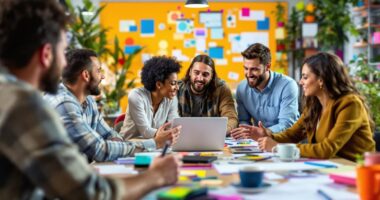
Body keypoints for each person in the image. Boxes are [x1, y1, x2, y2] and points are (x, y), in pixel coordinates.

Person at [0, 0, 179, 199]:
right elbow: (90, 193)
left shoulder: (10, 93)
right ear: (46, 54)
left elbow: (107, 135)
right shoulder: (23, 105)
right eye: (63, 52)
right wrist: (156, 176)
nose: (65, 65)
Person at [44, 49, 180, 162]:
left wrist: (118, 142)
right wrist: (154, 143)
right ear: (86, 75)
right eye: (98, 71)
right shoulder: (64, 103)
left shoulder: (89, 101)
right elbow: (98, 150)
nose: (102, 77)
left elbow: (108, 134)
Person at [252, 52, 375, 161]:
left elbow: (327, 149)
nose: (300, 82)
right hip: (330, 166)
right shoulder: (315, 104)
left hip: (356, 170)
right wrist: (268, 135)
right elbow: (293, 134)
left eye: (305, 77)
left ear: (321, 79)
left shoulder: (350, 104)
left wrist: (277, 147)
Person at [231, 43, 299, 138]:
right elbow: (244, 120)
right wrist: (244, 130)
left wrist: (265, 132)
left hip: (284, 140)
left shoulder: (287, 85)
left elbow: (287, 124)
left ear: (267, 66)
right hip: (258, 142)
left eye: (254, 69)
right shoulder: (242, 88)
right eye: (246, 68)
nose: (249, 74)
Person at [120, 56, 181, 139]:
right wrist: (171, 133)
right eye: (173, 83)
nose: (177, 88)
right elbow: (146, 132)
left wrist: (177, 132)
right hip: (129, 146)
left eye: (177, 83)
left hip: (154, 147)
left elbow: (175, 125)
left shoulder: (171, 98)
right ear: (159, 84)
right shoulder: (136, 96)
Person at [177, 55, 238, 133]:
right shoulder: (177, 88)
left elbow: (231, 117)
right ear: (190, 72)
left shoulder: (222, 89)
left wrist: (222, 131)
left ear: (212, 76)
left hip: (213, 136)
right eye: (196, 73)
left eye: (205, 74)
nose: (200, 78)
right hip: (182, 136)